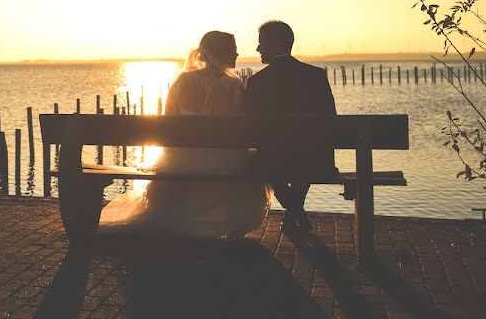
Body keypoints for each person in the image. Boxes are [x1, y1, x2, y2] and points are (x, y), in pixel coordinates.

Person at [97, 31, 272, 239]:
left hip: (181, 162)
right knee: (252, 161)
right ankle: (223, 223)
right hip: (226, 164)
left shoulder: (182, 81)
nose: (237, 53)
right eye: (233, 49)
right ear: (222, 53)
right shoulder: (234, 86)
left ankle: (180, 219)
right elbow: (243, 128)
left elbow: (167, 122)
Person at [245, 20, 337, 235]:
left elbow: (250, 130)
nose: (258, 49)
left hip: (272, 162)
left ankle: (294, 211)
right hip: (317, 162)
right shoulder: (316, 75)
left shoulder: (257, 82)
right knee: (306, 153)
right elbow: (331, 120)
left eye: (261, 44)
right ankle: (296, 212)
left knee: (264, 160)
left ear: (274, 44)